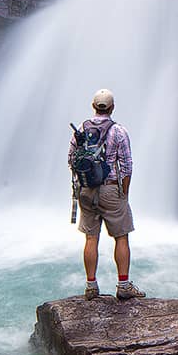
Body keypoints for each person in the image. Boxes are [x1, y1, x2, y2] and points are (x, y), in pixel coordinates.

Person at [69, 88, 145, 301]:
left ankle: (91, 286)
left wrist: (83, 182)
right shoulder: (118, 131)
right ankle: (123, 285)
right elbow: (127, 165)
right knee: (121, 237)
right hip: (111, 188)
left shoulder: (81, 129)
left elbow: (70, 159)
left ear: (93, 106)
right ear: (112, 108)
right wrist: (124, 193)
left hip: (86, 190)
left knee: (91, 238)